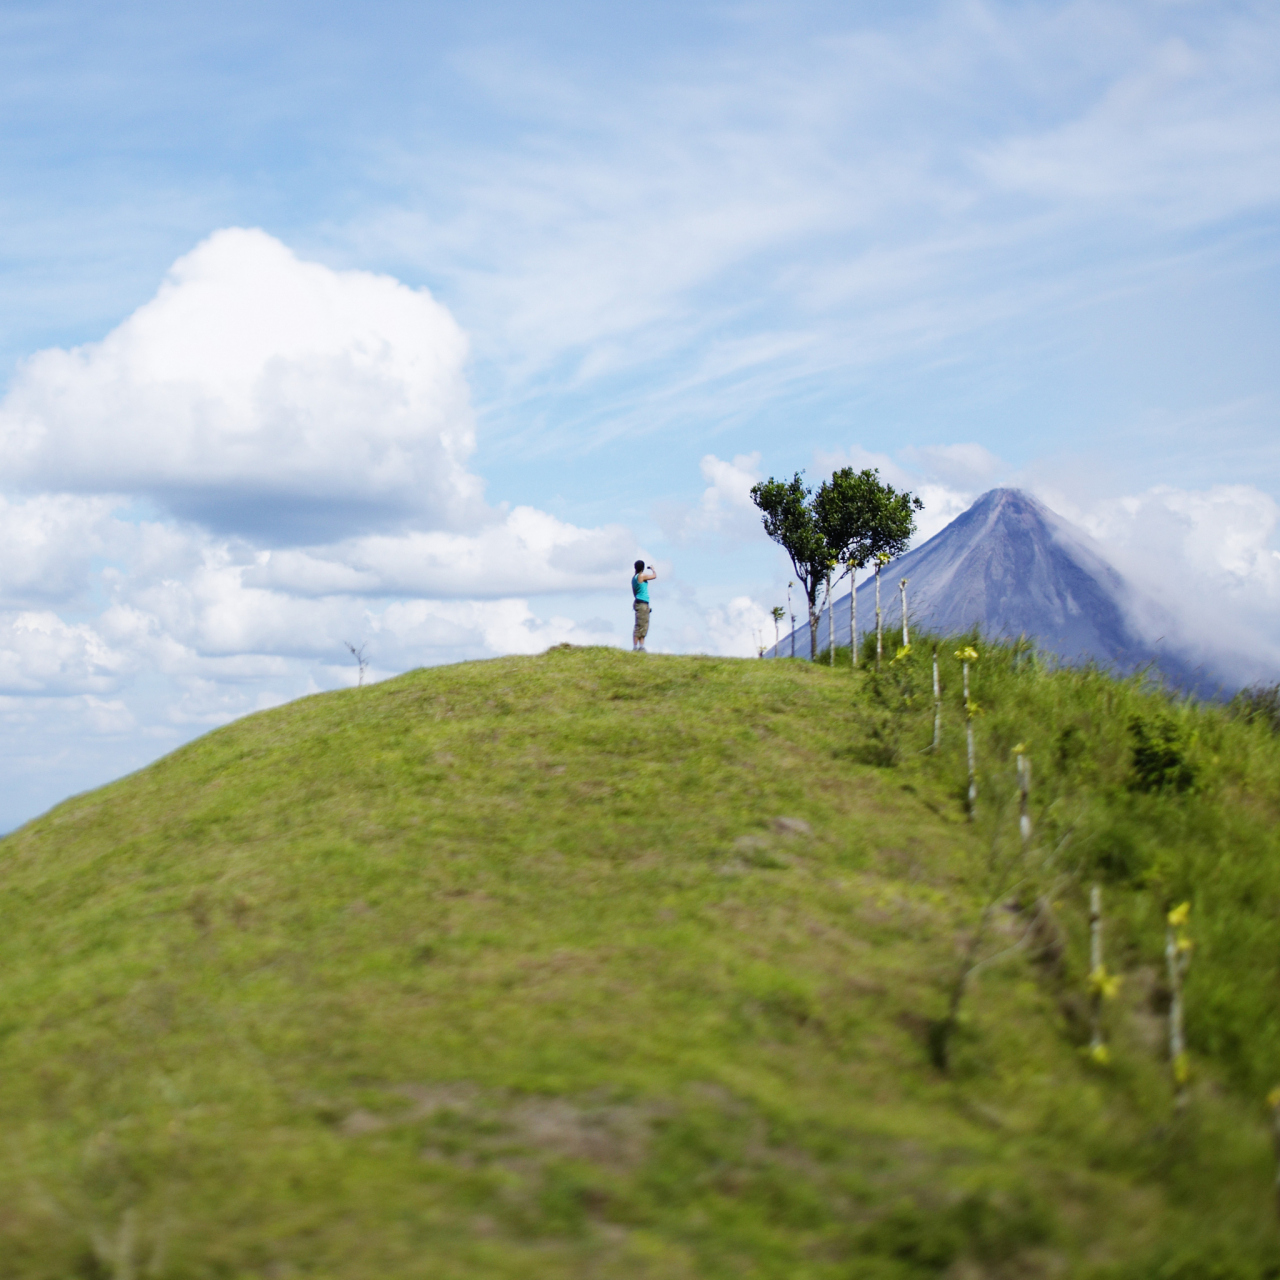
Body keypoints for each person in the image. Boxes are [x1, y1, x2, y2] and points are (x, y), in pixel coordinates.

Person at [631, 559, 656, 651]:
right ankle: (636, 647)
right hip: (642, 603)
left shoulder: (634, 578)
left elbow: (634, 592)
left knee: (643, 625)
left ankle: (640, 647)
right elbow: (654, 576)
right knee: (640, 625)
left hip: (639, 602)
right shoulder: (641, 576)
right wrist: (653, 569)